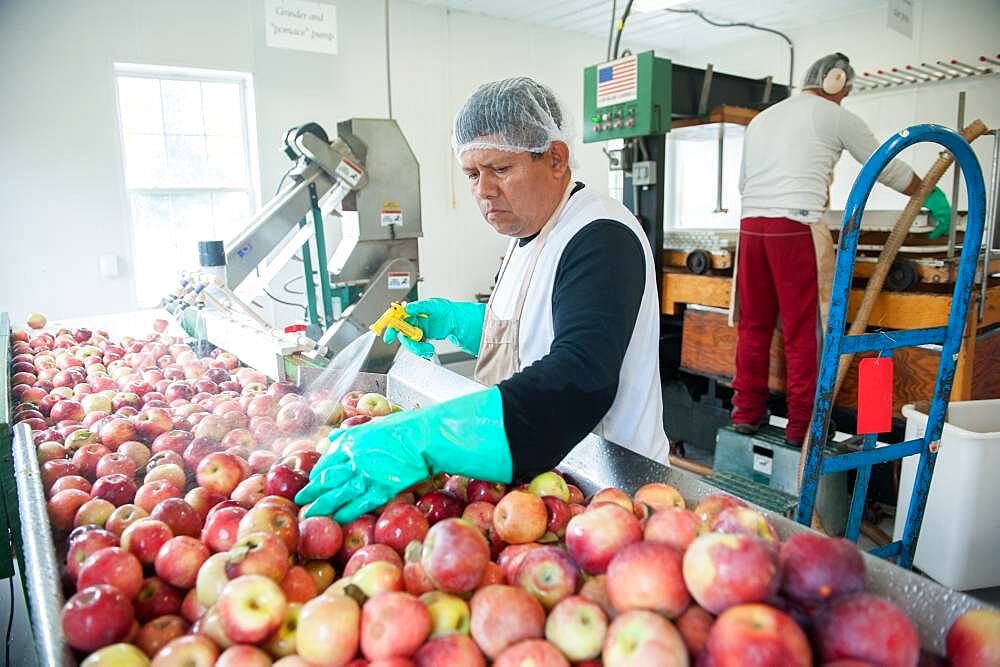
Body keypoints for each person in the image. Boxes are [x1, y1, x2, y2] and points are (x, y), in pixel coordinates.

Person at [297, 77, 668, 522]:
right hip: (546, 486)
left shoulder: (600, 236)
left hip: (610, 493)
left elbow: (581, 378)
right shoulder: (528, 230)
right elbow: (536, 327)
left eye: (501, 169)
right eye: (473, 174)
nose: (484, 191)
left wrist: (426, 437)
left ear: (555, 157)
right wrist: (457, 321)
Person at [732, 53, 951, 446]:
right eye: (846, 88)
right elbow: (881, 164)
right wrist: (927, 191)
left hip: (751, 229)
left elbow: (744, 181)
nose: (845, 95)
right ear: (835, 81)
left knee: (754, 326)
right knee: (804, 332)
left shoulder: (763, 118)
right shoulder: (833, 115)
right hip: (794, 228)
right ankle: (803, 428)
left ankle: (745, 414)